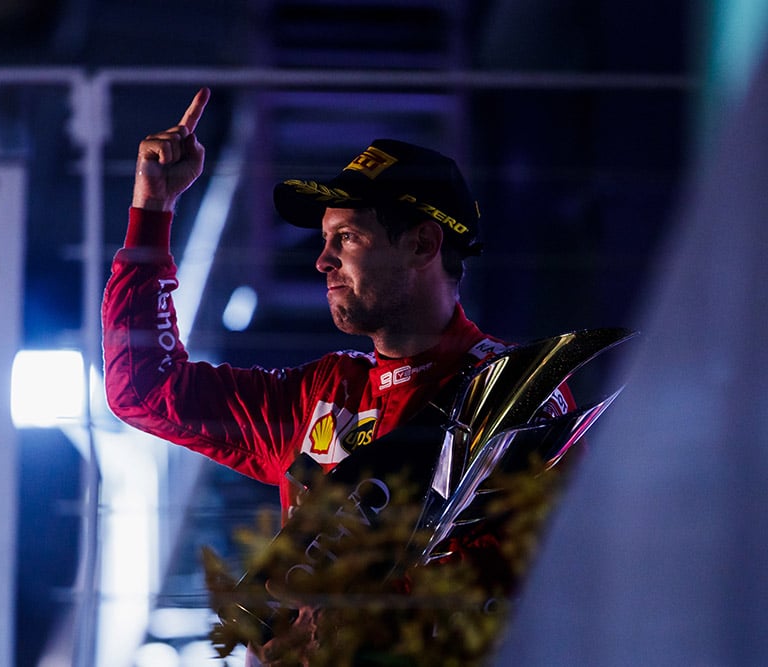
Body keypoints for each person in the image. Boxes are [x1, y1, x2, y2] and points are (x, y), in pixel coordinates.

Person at [102, 88, 573, 665]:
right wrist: (152, 210)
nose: (322, 261)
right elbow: (143, 390)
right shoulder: (321, 393)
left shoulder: (516, 394)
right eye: (324, 241)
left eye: (346, 238)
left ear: (423, 243)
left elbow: (535, 586)